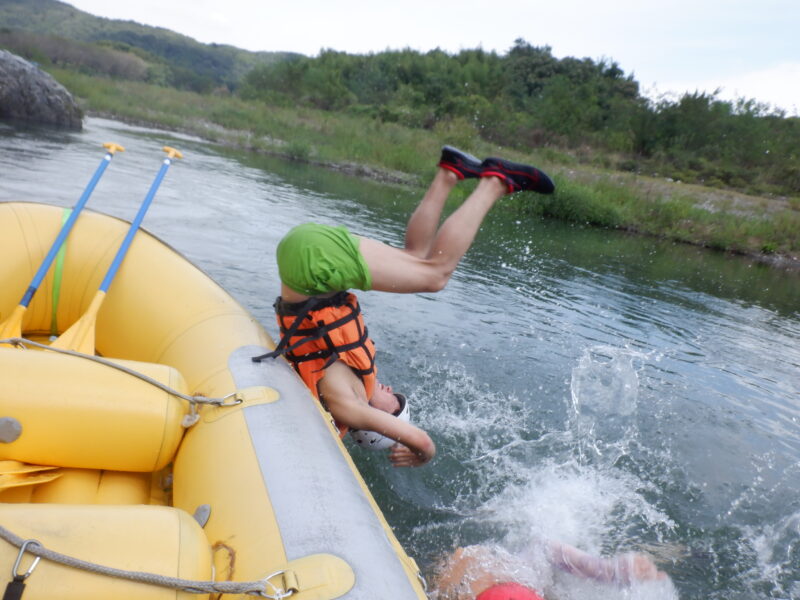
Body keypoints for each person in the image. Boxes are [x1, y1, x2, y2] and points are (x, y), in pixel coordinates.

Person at [253, 146, 555, 467]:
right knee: (417, 256)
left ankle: (496, 182)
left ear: (377, 421)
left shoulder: (346, 406)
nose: (392, 390)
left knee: (435, 277)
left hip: (312, 265)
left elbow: (423, 441)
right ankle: (449, 173)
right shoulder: (352, 384)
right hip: (306, 256)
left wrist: (422, 455)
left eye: (395, 403)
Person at [432, 540, 669, 599]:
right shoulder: (472, 568)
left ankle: (609, 571)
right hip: (511, 583)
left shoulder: (471, 569)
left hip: (505, 582)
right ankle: (609, 571)